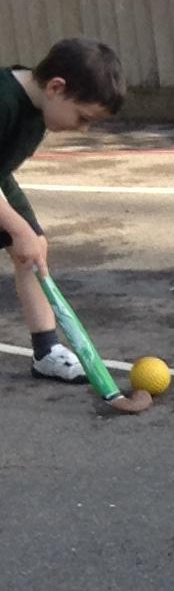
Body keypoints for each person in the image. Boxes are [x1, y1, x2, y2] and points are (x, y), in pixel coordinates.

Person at [0, 38, 125, 384]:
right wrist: (17, 228)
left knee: (32, 251)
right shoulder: (4, 100)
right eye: (82, 117)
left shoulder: (39, 106)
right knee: (25, 238)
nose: (82, 128)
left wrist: (25, 233)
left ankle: (47, 352)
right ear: (56, 88)